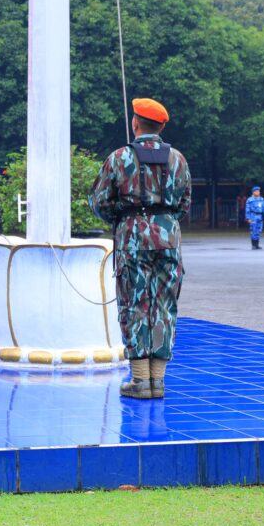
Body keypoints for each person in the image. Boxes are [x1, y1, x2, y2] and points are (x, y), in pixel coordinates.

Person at [89, 98, 191, 400]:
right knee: (164, 305)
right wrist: (165, 219)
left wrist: (123, 218)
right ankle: (158, 381)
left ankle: (139, 380)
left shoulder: (119, 157)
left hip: (132, 236)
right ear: (161, 127)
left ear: (135, 123)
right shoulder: (178, 159)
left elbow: (99, 201)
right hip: (168, 237)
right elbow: (185, 203)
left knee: (135, 304)